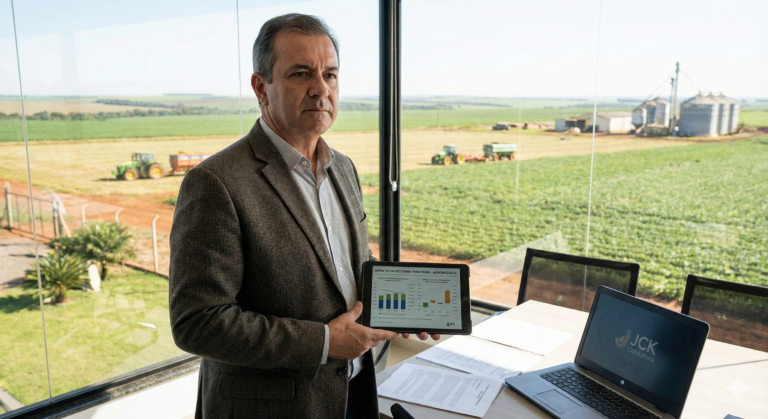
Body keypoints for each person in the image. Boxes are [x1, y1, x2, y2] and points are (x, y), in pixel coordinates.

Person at [169, 13, 436, 419]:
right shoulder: (215, 182)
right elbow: (197, 322)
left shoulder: (342, 167)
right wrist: (324, 342)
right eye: (301, 74)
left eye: (330, 75)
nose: (321, 89)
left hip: (354, 394)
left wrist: (408, 305)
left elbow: (349, 269)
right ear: (262, 87)